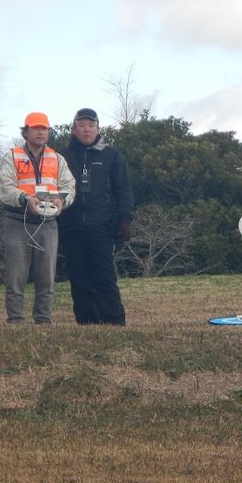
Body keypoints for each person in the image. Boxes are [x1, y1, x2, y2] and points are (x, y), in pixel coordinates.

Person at [0, 112, 76, 324]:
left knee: (47, 278)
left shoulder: (57, 159)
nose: (41, 132)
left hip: (48, 223)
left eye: (45, 128)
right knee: (15, 278)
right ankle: (14, 321)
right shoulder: (12, 156)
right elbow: (4, 187)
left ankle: (43, 321)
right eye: (36, 128)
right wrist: (25, 199)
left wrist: (62, 201)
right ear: (26, 132)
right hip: (17, 222)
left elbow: (69, 186)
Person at [59, 108, 133, 325]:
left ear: (98, 128)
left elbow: (123, 189)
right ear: (74, 129)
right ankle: (87, 323)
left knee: (105, 277)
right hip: (71, 225)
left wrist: (125, 218)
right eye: (81, 125)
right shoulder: (62, 157)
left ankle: (115, 322)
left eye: (91, 125)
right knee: (79, 278)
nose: (86, 129)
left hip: (101, 226)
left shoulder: (111, 155)